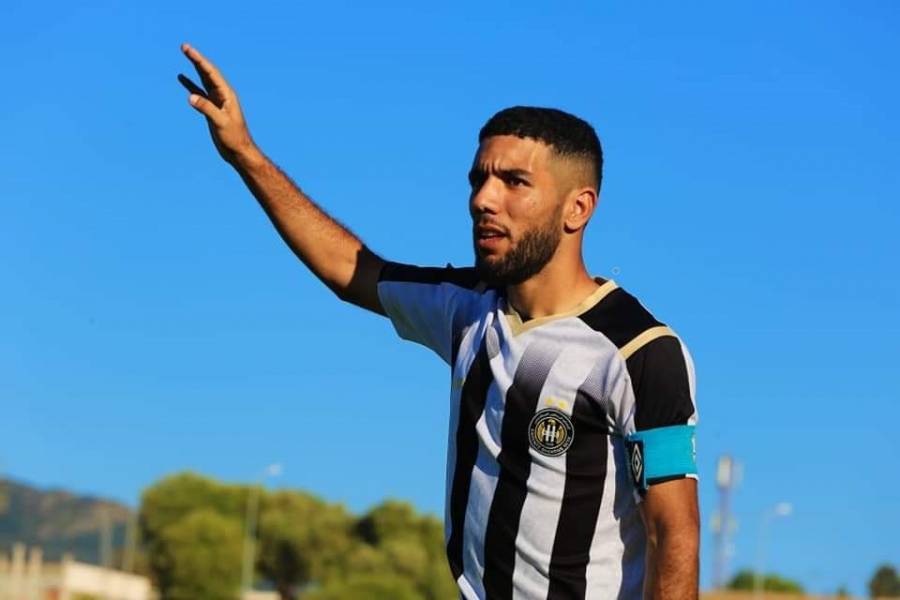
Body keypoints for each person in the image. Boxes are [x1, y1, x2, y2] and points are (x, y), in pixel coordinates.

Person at [178, 42, 699, 600]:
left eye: (514, 182)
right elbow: (349, 269)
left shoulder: (641, 352)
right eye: (478, 179)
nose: (483, 199)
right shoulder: (466, 307)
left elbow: (674, 534)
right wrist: (246, 154)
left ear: (578, 207)